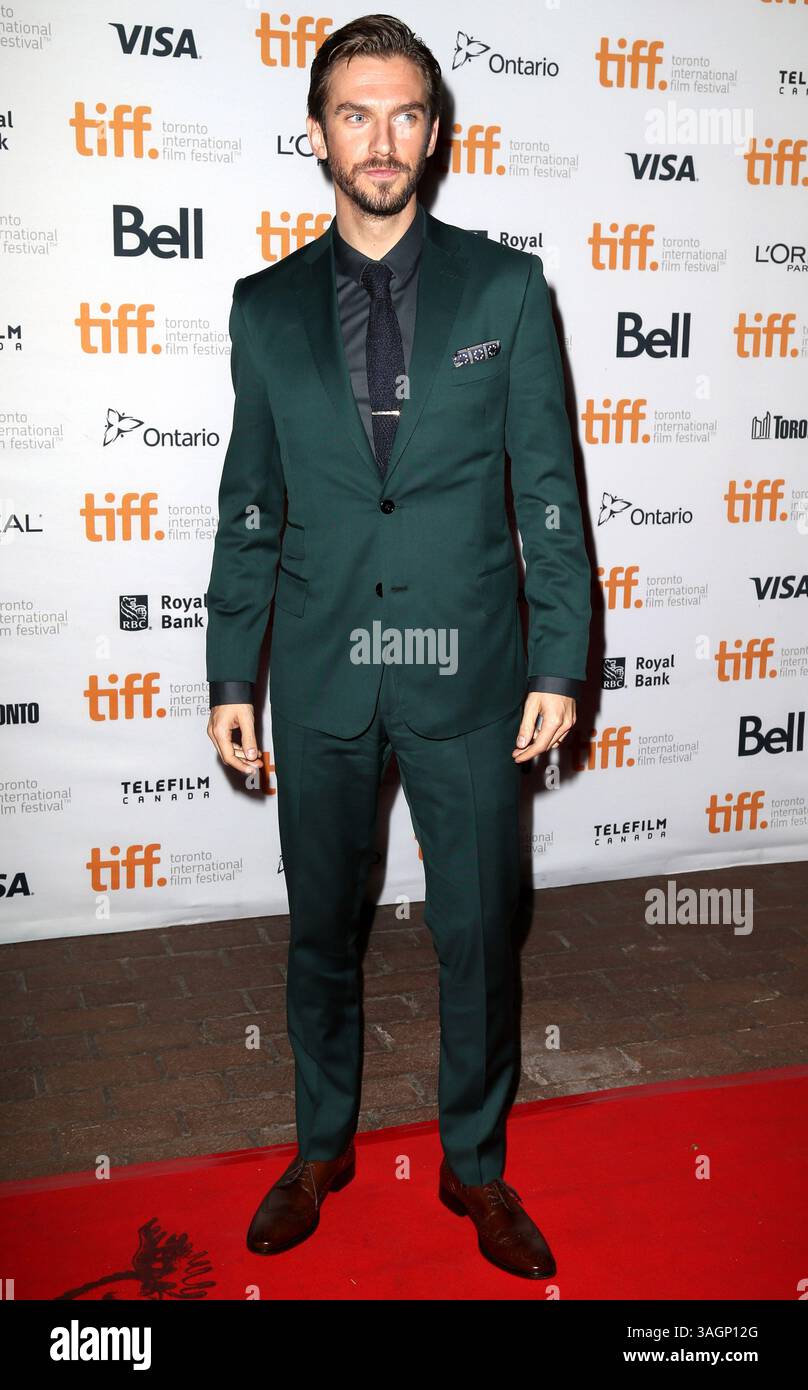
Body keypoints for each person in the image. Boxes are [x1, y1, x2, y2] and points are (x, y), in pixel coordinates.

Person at [205, 13, 590, 1279]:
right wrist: (229, 672)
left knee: (479, 924)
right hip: (319, 667)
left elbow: (548, 489)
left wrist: (557, 661)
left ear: (435, 131)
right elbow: (250, 498)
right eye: (355, 113)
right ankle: (322, 1144)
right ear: (317, 133)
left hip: (471, 666)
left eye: (405, 112)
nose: (381, 139)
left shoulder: (504, 288)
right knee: (323, 922)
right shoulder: (262, 308)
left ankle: (473, 1168)